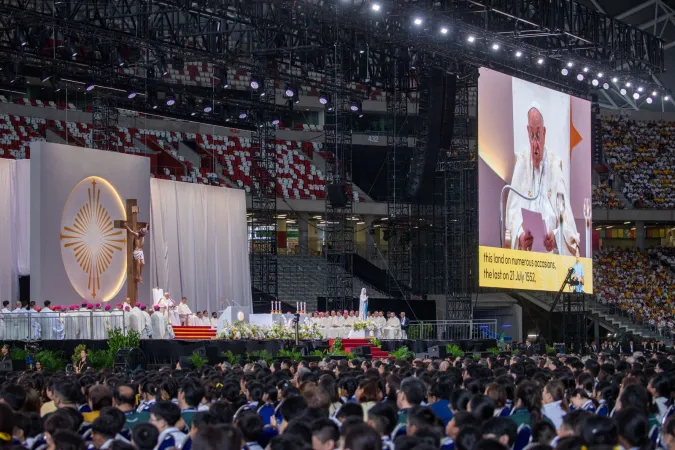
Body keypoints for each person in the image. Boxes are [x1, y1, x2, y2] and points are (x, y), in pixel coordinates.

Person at [504, 103, 580, 255]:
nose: (535, 142)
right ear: (527, 131)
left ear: (544, 132)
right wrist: (520, 235)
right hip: (527, 252)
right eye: (531, 134)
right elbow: (512, 211)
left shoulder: (553, 164)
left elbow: (563, 213)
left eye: (538, 134)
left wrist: (556, 235)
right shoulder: (522, 161)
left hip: (549, 252)